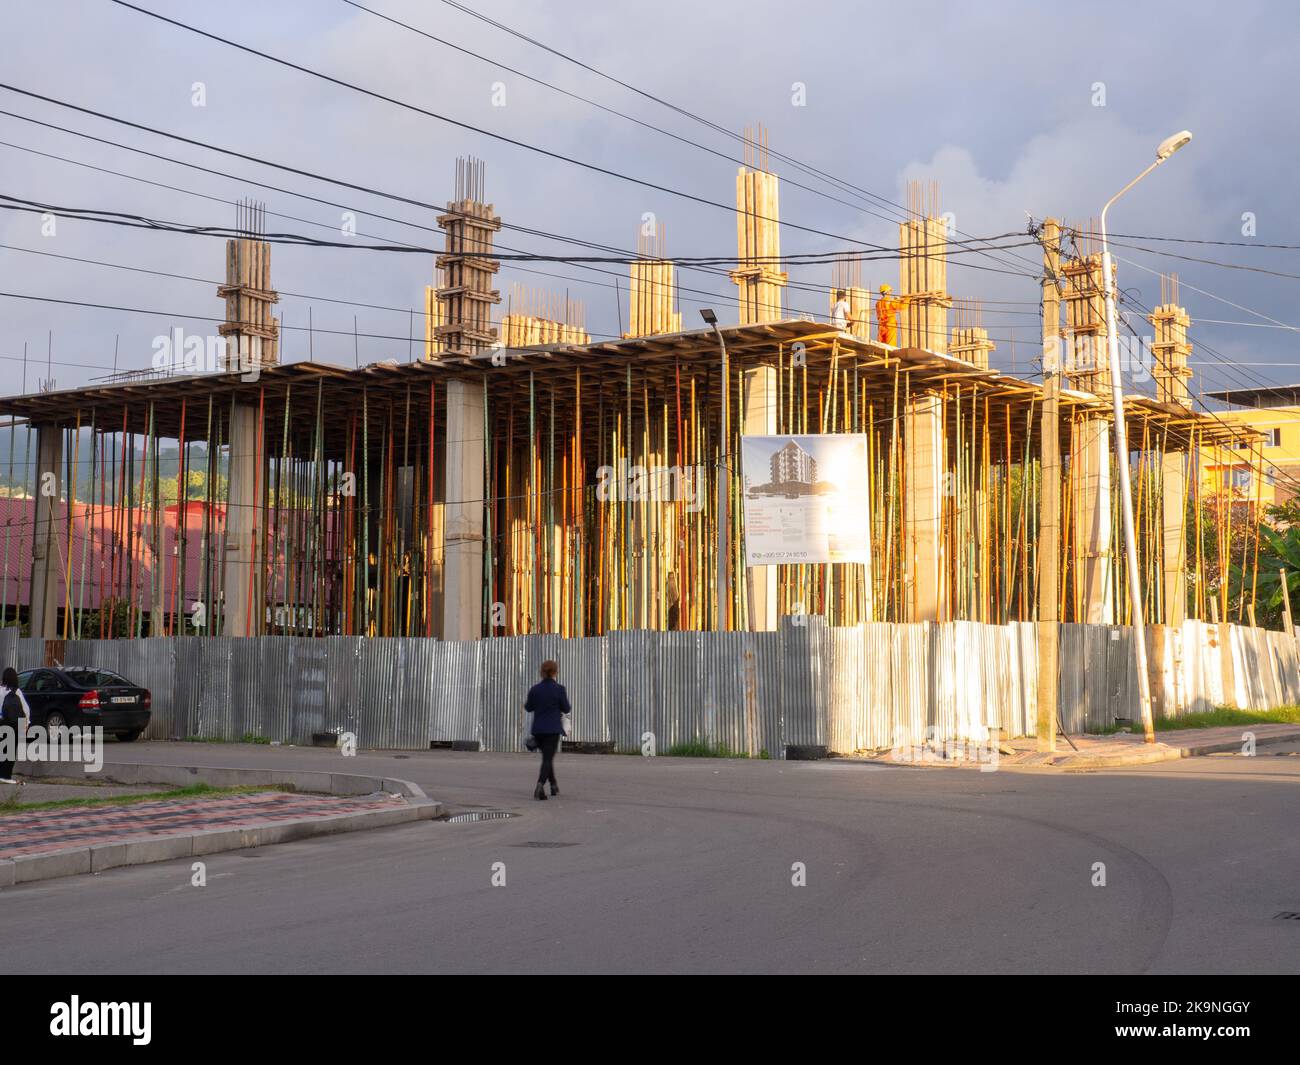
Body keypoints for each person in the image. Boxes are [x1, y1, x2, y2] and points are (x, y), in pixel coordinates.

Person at [523, 659, 571, 800]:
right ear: (555, 672)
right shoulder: (559, 689)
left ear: (542, 673)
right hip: (552, 730)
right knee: (547, 759)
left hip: (538, 730)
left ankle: (553, 784)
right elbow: (566, 708)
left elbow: (528, 707)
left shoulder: (535, 689)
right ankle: (540, 784)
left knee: (547, 758)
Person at [0, 667, 29, 785]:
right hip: (14, 726)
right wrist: (26, 727)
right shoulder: (17, 692)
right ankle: (5, 776)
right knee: (10, 753)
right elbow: (26, 711)